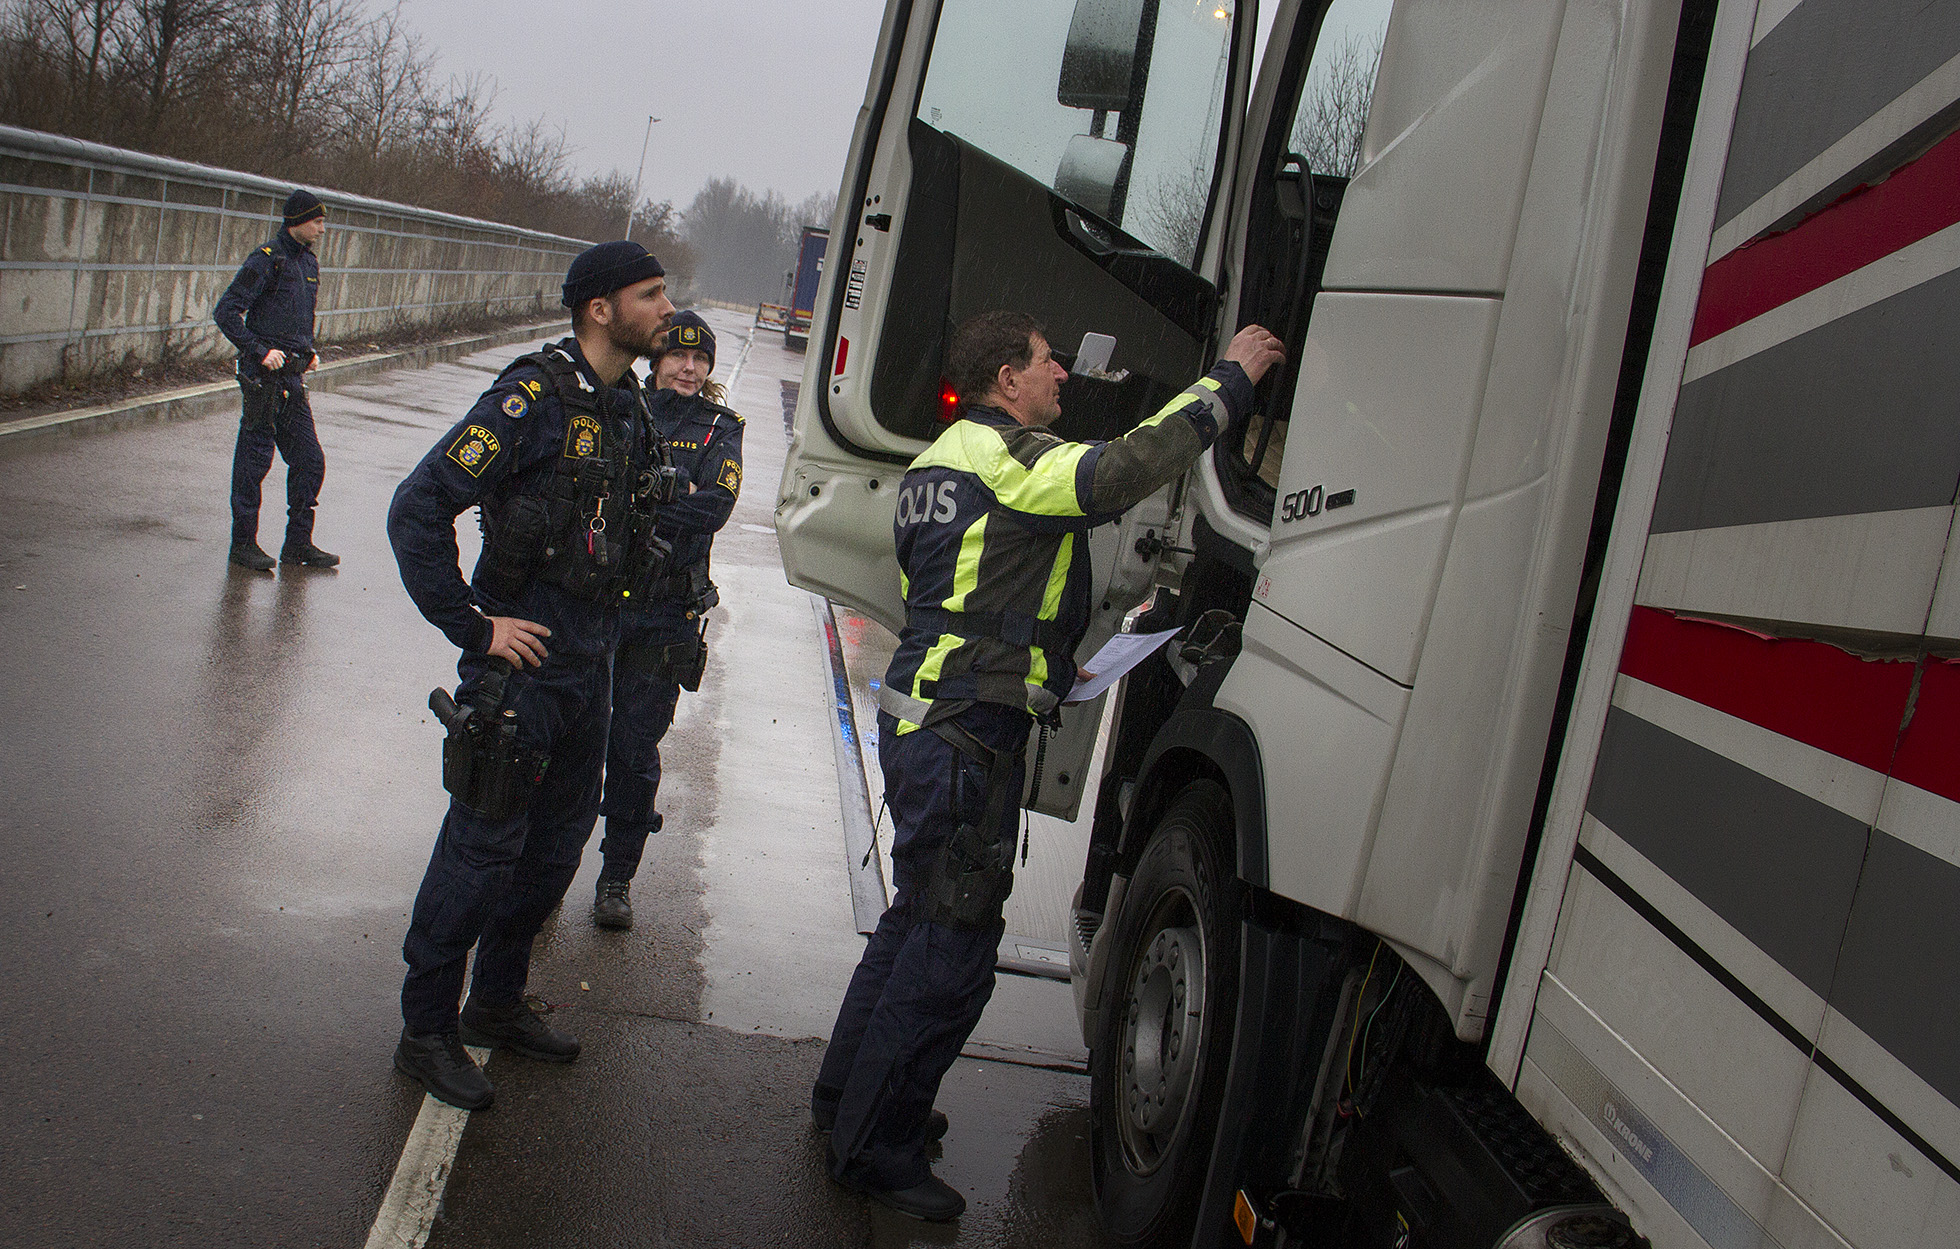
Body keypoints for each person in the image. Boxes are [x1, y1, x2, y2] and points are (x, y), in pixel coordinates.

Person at [812, 311, 1284, 1220]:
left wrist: (1045, 659)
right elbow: (1123, 469)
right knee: (951, 955)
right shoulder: (1010, 458)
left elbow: (969, 595)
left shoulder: (935, 466)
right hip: (963, 737)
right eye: (1044, 361)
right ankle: (874, 1146)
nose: (1061, 373)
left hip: (930, 725)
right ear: (1004, 379)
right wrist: (1229, 381)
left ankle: (849, 1100)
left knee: (915, 928)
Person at [384, 241, 676, 1110]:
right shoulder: (532, 397)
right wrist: (472, 625)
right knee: (479, 853)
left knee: (554, 850)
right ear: (600, 308)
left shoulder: (628, 404)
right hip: (524, 672)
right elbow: (419, 506)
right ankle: (425, 1027)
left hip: (592, 665)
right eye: (651, 294)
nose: (668, 308)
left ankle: (496, 1002)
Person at [591, 311, 745, 929]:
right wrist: (662, 496)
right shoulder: (620, 410)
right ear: (655, 361)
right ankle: (543, 867)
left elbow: (716, 505)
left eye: (699, 359)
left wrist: (647, 506)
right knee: (574, 741)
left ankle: (616, 877)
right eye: (678, 356)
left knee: (632, 749)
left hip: (665, 616)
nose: (688, 367)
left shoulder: (720, 429)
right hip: (602, 606)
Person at [214, 188, 337, 571]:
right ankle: (243, 545)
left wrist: (308, 352)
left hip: (293, 382)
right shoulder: (268, 260)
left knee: (309, 461)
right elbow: (227, 312)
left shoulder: (309, 265)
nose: (321, 229)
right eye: (317, 221)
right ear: (298, 221)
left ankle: (298, 544)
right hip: (263, 380)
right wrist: (258, 350)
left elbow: (297, 318)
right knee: (254, 463)